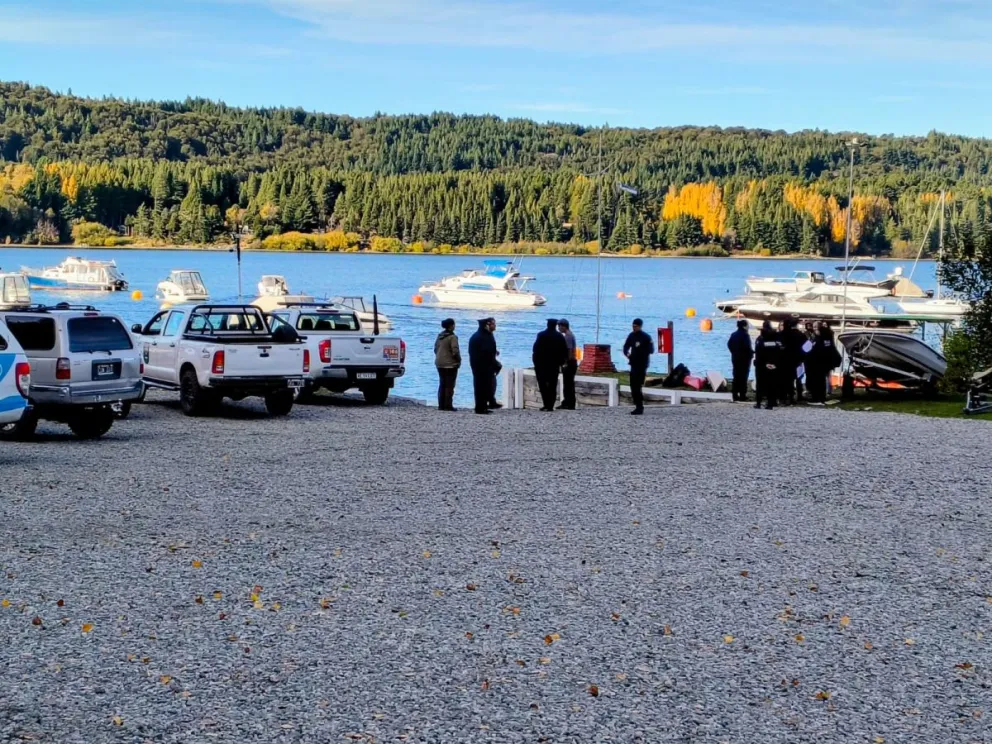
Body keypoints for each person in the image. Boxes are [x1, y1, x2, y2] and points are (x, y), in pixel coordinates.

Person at [532, 319, 569, 411]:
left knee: (542, 385)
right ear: (555, 325)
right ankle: (550, 405)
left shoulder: (541, 335)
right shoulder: (559, 336)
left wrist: (536, 363)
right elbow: (564, 351)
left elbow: (535, 349)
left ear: (547, 325)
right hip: (554, 365)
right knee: (552, 385)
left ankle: (546, 404)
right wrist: (562, 362)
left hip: (541, 364)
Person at [623, 318, 654, 415]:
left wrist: (641, 350)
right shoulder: (631, 336)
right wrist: (628, 354)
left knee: (638, 386)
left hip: (642, 364)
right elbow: (625, 347)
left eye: (636, 326)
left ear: (640, 326)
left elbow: (651, 350)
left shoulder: (646, 337)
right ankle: (637, 405)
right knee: (633, 386)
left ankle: (640, 407)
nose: (634, 328)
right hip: (633, 364)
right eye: (633, 326)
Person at [806, 324, 842, 405]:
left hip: (818, 364)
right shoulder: (826, 339)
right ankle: (820, 397)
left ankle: (817, 398)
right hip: (823, 364)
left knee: (817, 381)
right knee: (821, 381)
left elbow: (817, 350)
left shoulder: (819, 339)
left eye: (816, 329)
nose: (815, 331)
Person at [468, 318, 499, 414]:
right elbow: (487, 352)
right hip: (483, 366)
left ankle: (482, 406)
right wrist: (494, 363)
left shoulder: (479, 335)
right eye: (493, 324)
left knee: (482, 386)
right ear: (487, 325)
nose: (495, 326)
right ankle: (481, 408)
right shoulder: (484, 337)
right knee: (482, 387)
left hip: (478, 365)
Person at [753, 320, 783, 410]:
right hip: (773, 365)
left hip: (762, 366)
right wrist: (776, 364)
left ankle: (758, 402)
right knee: (772, 385)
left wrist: (758, 363)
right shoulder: (776, 341)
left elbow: (758, 353)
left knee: (760, 384)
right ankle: (771, 403)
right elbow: (779, 353)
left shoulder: (760, 340)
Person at [434, 318, 460, 411]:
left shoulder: (440, 336)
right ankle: (448, 405)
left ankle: (441, 405)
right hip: (450, 364)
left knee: (442, 383)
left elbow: (435, 349)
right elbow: (455, 351)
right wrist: (458, 360)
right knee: (449, 385)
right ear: (451, 326)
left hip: (439, 363)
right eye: (454, 324)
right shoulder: (453, 337)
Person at [781, 318, 808, 405]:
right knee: (798, 378)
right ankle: (798, 396)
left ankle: (785, 397)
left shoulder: (782, 334)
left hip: (785, 360)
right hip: (797, 360)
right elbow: (807, 346)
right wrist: (803, 356)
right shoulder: (800, 335)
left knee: (786, 379)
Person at [726, 318, 753, 402]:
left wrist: (733, 352)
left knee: (736, 376)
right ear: (745, 326)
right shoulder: (745, 335)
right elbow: (747, 347)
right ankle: (742, 395)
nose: (748, 327)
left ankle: (734, 394)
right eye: (748, 325)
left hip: (735, 358)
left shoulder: (733, 334)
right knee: (743, 377)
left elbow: (729, 344)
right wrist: (751, 355)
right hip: (744, 359)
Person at [557, 318, 578, 409]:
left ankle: (569, 403)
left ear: (564, 326)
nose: (558, 328)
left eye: (559, 326)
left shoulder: (568, 336)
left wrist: (566, 362)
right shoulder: (570, 335)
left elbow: (569, 350)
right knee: (568, 383)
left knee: (568, 383)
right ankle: (567, 401)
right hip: (572, 362)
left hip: (570, 362)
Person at [487, 318, 502, 409]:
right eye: (493, 324)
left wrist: (495, 351)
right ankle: (491, 401)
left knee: (492, 383)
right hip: (488, 363)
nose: (495, 326)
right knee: (491, 383)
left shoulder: (490, 335)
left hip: (491, 362)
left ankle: (492, 400)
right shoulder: (487, 335)